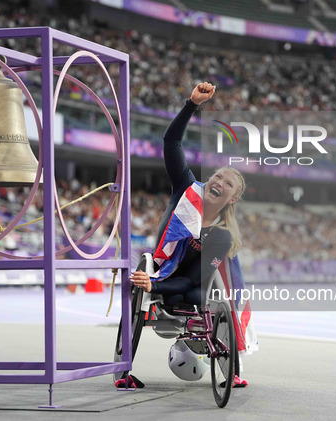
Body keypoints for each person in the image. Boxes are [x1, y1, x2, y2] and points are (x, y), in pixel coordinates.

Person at [126, 82, 249, 387]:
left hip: (186, 286)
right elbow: (171, 142)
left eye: (227, 183)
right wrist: (191, 105)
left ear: (231, 198)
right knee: (179, 292)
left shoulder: (222, 236)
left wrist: (155, 284)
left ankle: (230, 370)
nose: (218, 180)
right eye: (217, 175)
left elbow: (195, 280)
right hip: (160, 266)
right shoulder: (186, 189)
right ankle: (123, 372)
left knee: (195, 295)